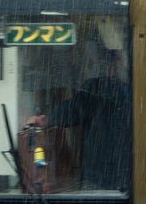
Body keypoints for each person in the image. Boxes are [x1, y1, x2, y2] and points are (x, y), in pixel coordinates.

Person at [30, 49, 130, 192]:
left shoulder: (97, 87)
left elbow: (74, 109)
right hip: (124, 172)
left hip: (98, 171)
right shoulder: (130, 90)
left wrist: (47, 120)